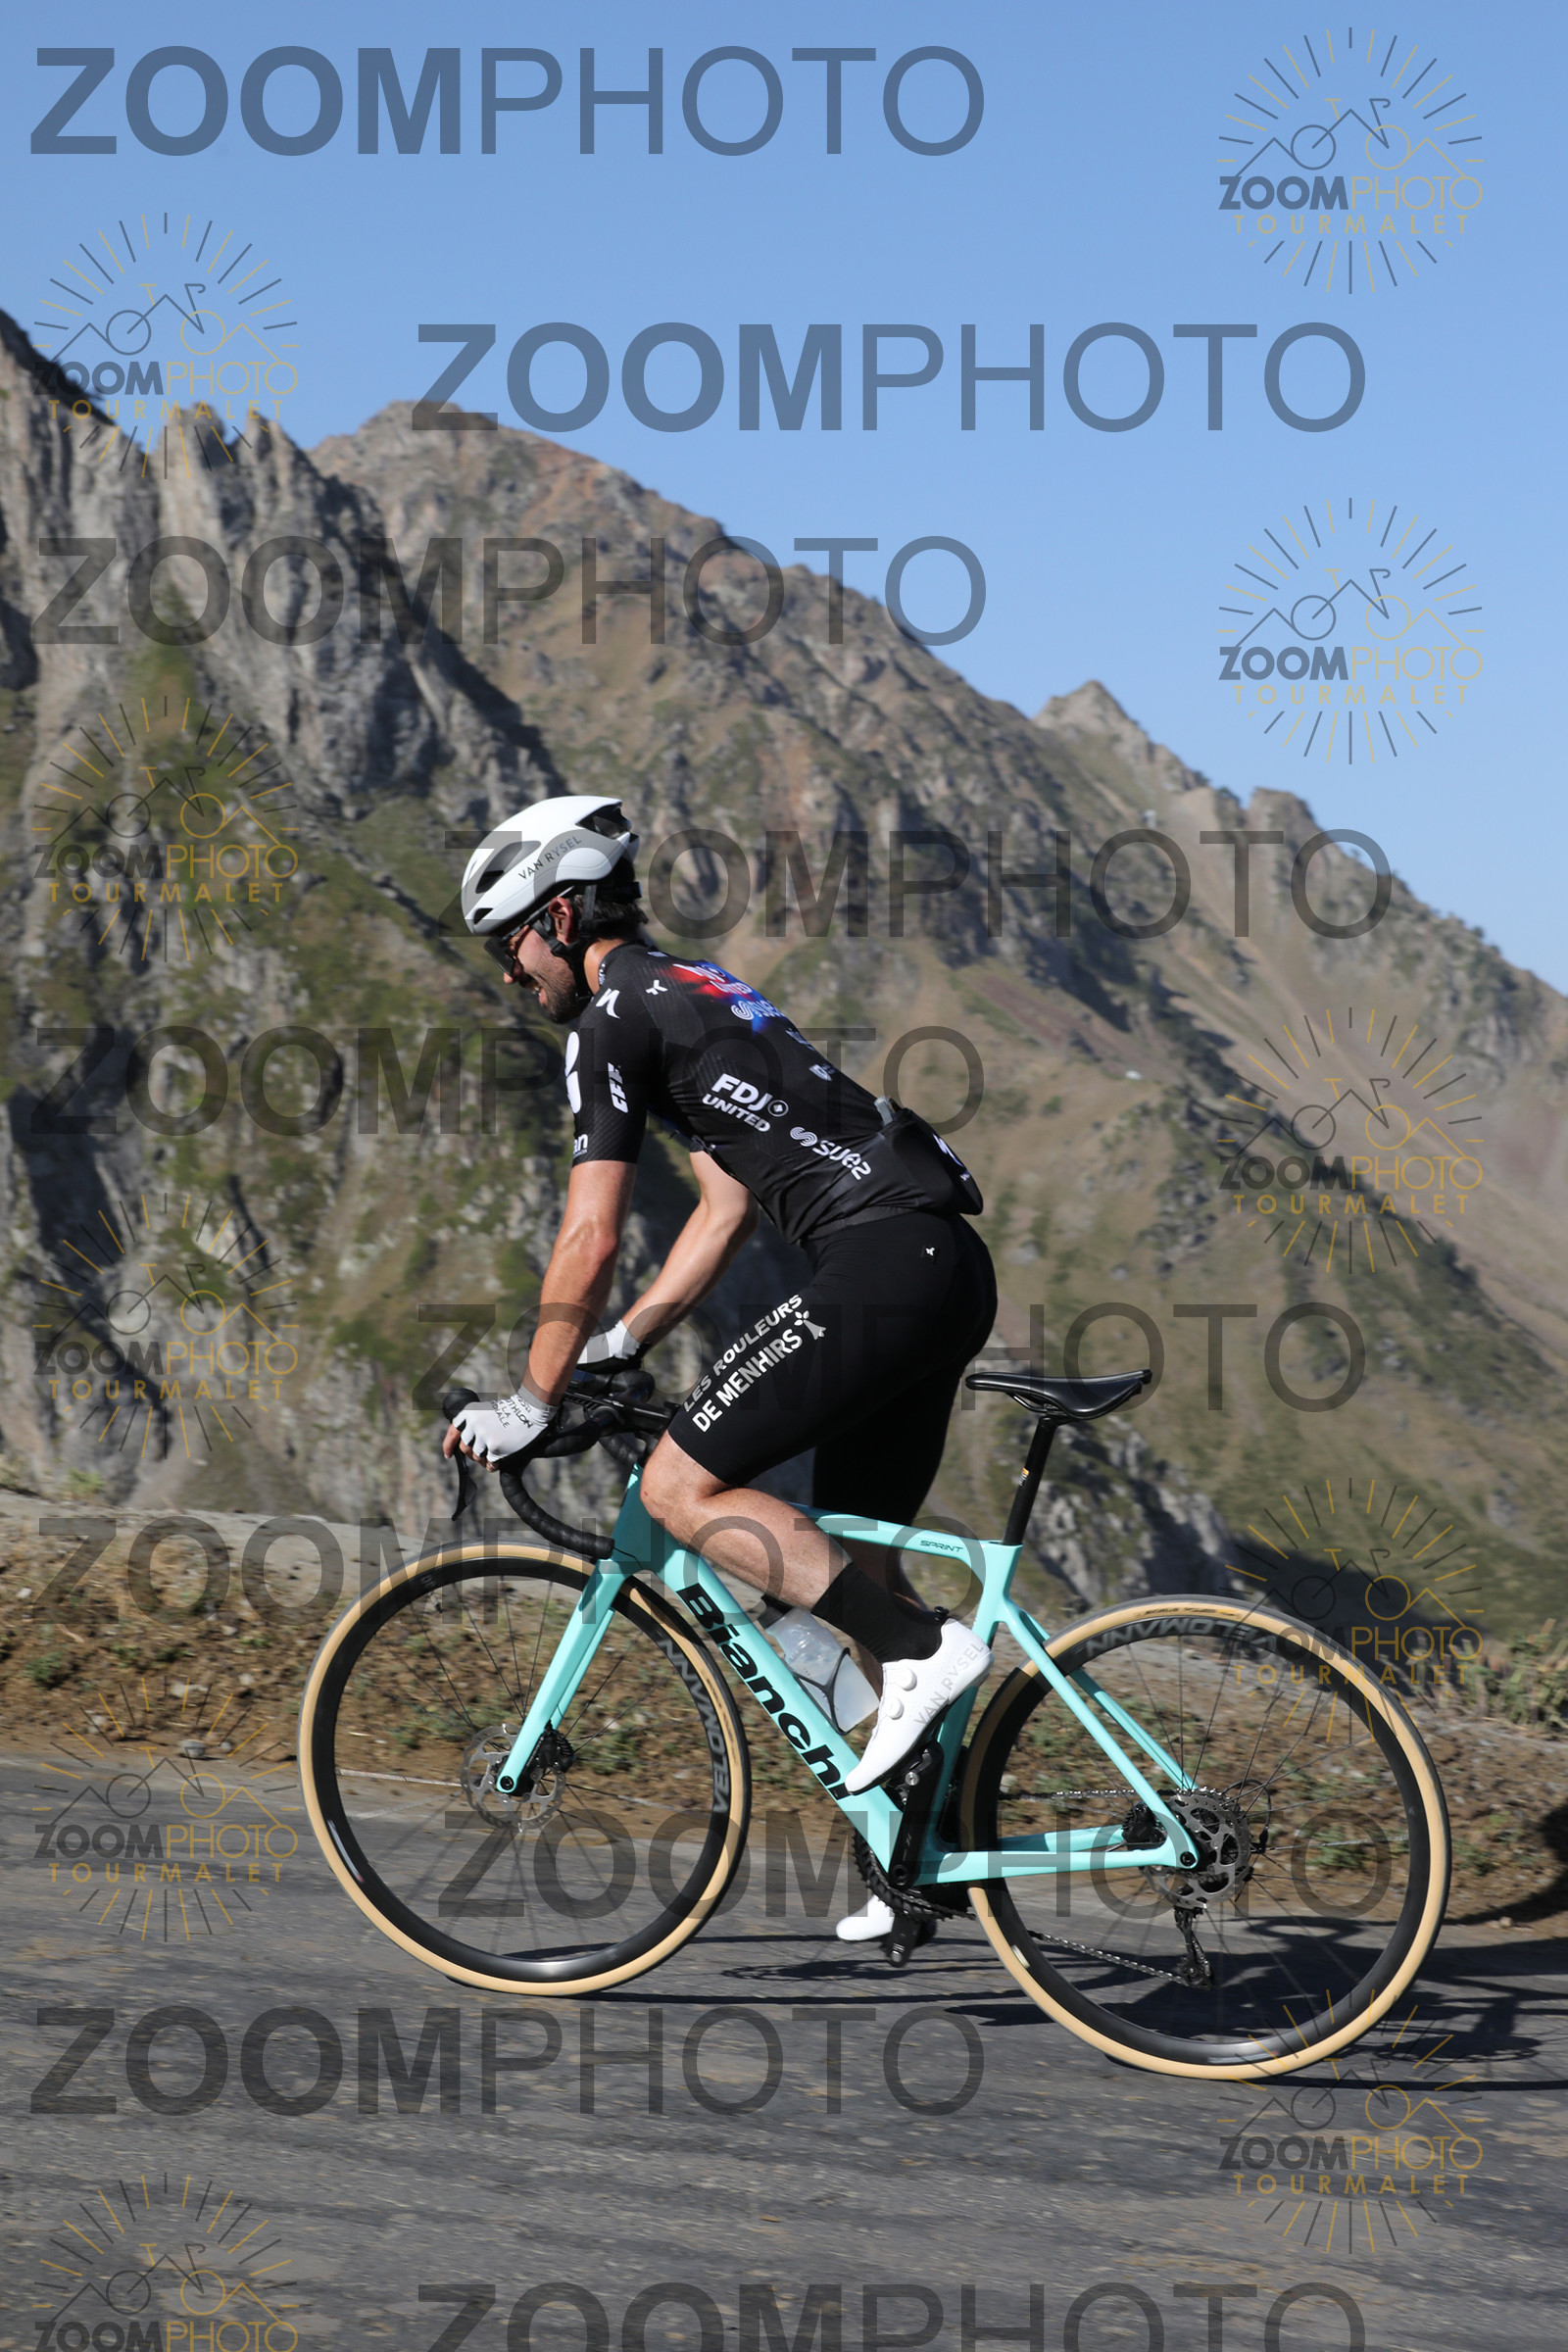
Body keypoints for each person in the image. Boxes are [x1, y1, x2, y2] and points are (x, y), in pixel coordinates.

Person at [444, 793, 997, 1941]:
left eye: (510, 944)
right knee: (851, 1559)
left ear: (559, 917)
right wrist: (622, 1343)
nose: (509, 973)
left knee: (678, 1488)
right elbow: (725, 1204)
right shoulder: (696, 988)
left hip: (880, 1262)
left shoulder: (609, 1020)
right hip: (939, 1262)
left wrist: (533, 1397)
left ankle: (924, 1652)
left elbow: (589, 1233)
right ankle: (921, 1860)